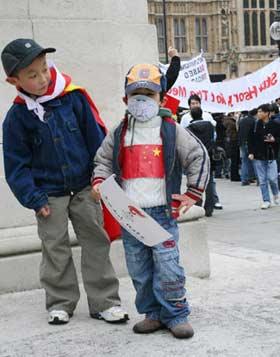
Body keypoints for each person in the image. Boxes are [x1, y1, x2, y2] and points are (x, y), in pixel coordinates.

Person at [1, 38, 128, 324]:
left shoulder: (73, 98)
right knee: (55, 248)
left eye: (44, 69)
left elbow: (97, 141)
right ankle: (60, 302)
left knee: (96, 242)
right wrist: (33, 198)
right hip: (48, 195)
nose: (42, 78)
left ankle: (104, 301)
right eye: (32, 75)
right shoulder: (16, 118)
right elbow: (16, 166)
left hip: (85, 188)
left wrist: (100, 179)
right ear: (13, 80)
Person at [92, 63, 210, 339]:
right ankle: (152, 313)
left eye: (149, 94)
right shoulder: (119, 132)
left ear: (162, 98)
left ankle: (176, 313)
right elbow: (103, 160)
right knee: (139, 267)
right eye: (136, 94)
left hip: (162, 213)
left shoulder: (171, 130)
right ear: (125, 99)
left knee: (168, 264)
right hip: (130, 213)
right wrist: (99, 181)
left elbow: (198, 156)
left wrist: (193, 193)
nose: (142, 99)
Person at [248, 104, 280, 209]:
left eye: (261, 111)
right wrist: (251, 152)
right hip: (258, 155)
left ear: (267, 113)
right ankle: (266, 200)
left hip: (271, 155)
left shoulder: (275, 124)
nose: (259, 113)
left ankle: (276, 194)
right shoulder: (255, 125)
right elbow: (250, 140)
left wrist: (274, 140)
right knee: (262, 180)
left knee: (272, 178)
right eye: (258, 111)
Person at [188, 107, 215, 216]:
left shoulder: (188, 129)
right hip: (209, 156)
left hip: (196, 159)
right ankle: (209, 208)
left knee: (196, 183)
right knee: (209, 183)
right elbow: (214, 138)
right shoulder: (210, 126)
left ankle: (197, 206)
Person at [238, 109, 257, 185]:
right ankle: (258, 179)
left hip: (242, 142)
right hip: (250, 143)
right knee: (254, 161)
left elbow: (239, 131)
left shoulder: (242, 120)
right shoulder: (254, 121)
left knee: (244, 161)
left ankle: (244, 180)